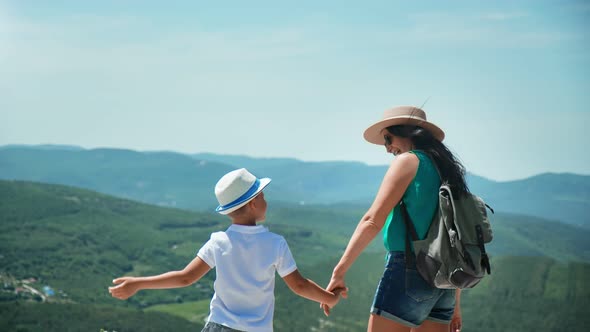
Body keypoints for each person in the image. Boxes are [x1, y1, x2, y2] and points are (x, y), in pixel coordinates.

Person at [109, 168, 344, 332]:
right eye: (262, 195)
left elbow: (185, 278)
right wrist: (329, 299)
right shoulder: (275, 243)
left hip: (218, 328)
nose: (266, 200)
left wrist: (138, 283)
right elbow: (299, 286)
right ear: (253, 203)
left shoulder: (218, 241)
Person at [322, 106, 464, 332]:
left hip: (409, 269)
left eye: (388, 139)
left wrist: (339, 272)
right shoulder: (447, 169)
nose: (387, 148)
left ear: (406, 132)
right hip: (446, 279)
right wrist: (456, 303)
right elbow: (455, 237)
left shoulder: (408, 161)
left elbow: (372, 220)